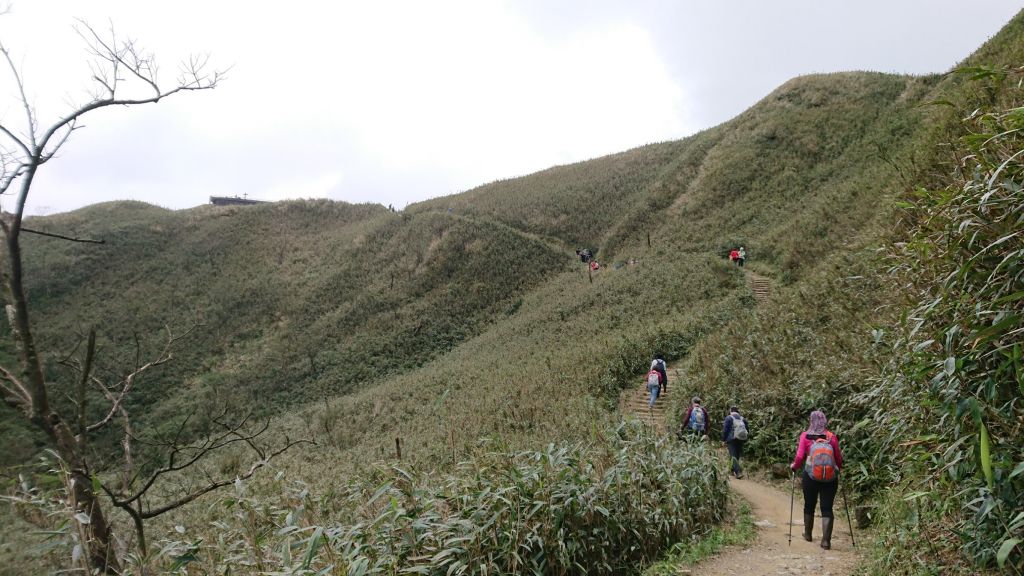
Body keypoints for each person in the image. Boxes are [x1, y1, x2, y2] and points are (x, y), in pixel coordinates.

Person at [790, 410, 843, 550]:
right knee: (827, 508)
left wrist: (794, 467)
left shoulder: (805, 436)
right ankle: (826, 541)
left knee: (809, 505)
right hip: (830, 478)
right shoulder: (831, 437)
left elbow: (800, 457)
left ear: (811, 421)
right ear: (824, 421)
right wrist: (839, 470)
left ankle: (808, 534)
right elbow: (838, 458)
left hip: (810, 476)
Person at [721, 406, 748, 478]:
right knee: (737, 455)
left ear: (731, 411)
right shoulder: (743, 419)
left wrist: (723, 440)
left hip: (732, 439)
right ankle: (731, 470)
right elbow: (747, 429)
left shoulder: (729, 418)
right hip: (741, 438)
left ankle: (738, 472)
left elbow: (725, 430)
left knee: (733, 455)